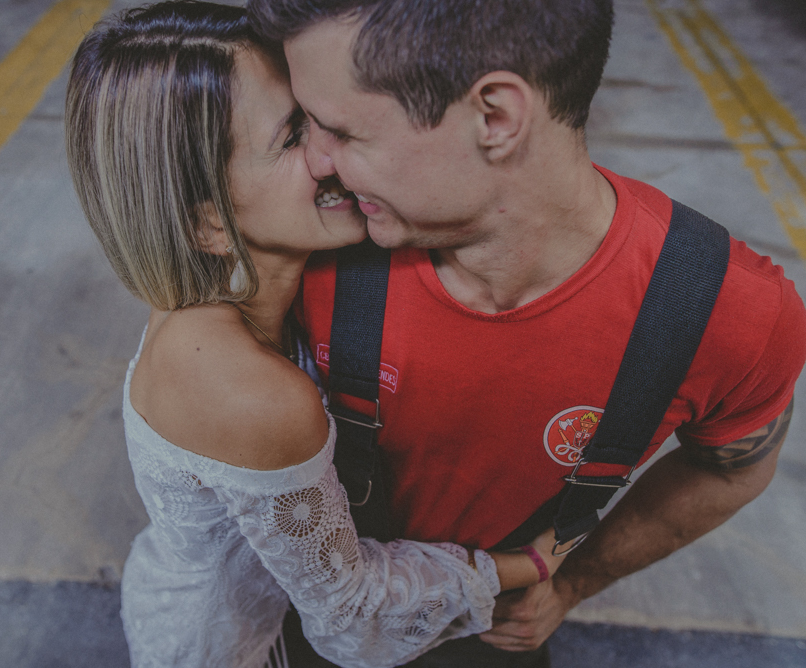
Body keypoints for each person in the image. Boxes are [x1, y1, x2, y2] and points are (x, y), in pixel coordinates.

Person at [246, 0, 806, 666]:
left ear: (496, 118)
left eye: (339, 130)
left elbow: (731, 470)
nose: (314, 161)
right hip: (300, 617)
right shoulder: (300, 247)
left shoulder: (726, 312)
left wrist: (572, 582)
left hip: (484, 633)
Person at [63, 3, 568, 667]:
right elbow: (349, 615)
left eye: (320, 114)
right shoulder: (248, 391)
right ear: (209, 222)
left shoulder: (228, 286)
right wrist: (520, 565)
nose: (332, 149)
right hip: (226, 647)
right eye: (293, 134)